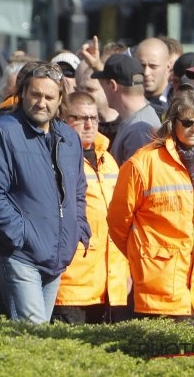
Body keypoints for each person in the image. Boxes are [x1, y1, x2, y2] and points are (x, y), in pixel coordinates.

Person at [0, 62, 90, 323]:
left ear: (60, 99)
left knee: (38, 338)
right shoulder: (3, 131)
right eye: (35, 94)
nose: (41, 102)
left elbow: (78, 190)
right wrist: (22, 235)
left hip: (56, 255)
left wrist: (78, 227)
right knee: (34, 334)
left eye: (49, 97)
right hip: (20, 255)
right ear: (23, 94)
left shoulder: (69, 138)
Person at [107, 89, 194, 322]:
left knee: (193, 355)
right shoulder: (143, 163)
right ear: (173, 123)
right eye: (187, 122)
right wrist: (141, 255)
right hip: (157, 285)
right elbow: (117, 221)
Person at [52, 92, 129, 324]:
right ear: (64, 119)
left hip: (109, 286)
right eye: (80, 118)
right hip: (72, 286)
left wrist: (125, 273)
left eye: (94, 118)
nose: (89, 125)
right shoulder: (56, 158)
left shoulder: (108, 160)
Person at [92, 54, 161, 166]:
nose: (103, 90)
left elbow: (135, 181)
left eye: (104, 84)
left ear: (113, 85)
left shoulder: (138, 131)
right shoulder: (140, 118)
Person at [134, 38, 172, 119]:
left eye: (153, 66)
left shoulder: (178, 102)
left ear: (168, 66)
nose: (146, 73)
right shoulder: (127, 99)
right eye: (142, 65)